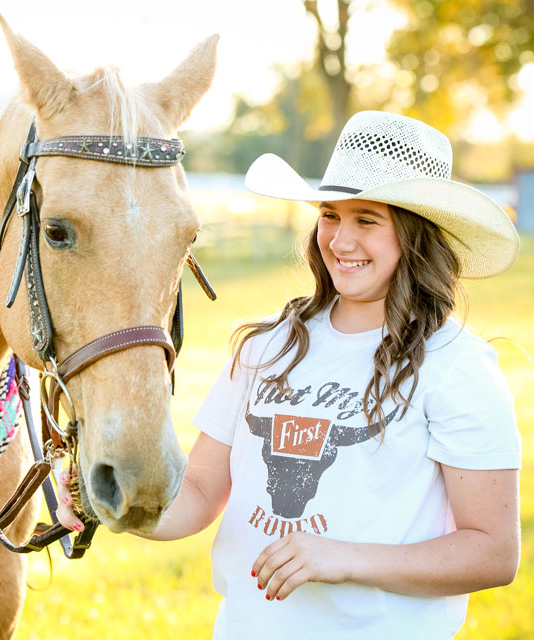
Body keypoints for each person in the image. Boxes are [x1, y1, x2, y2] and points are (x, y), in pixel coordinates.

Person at [57, 111, 521, 639]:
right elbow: (203, 491)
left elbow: (493, 551)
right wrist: (111, 502)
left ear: (414, 235)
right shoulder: (267, 347)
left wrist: (343, 558)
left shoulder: (456, 364)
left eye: (366, 220)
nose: (340, 241)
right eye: (329, 215)